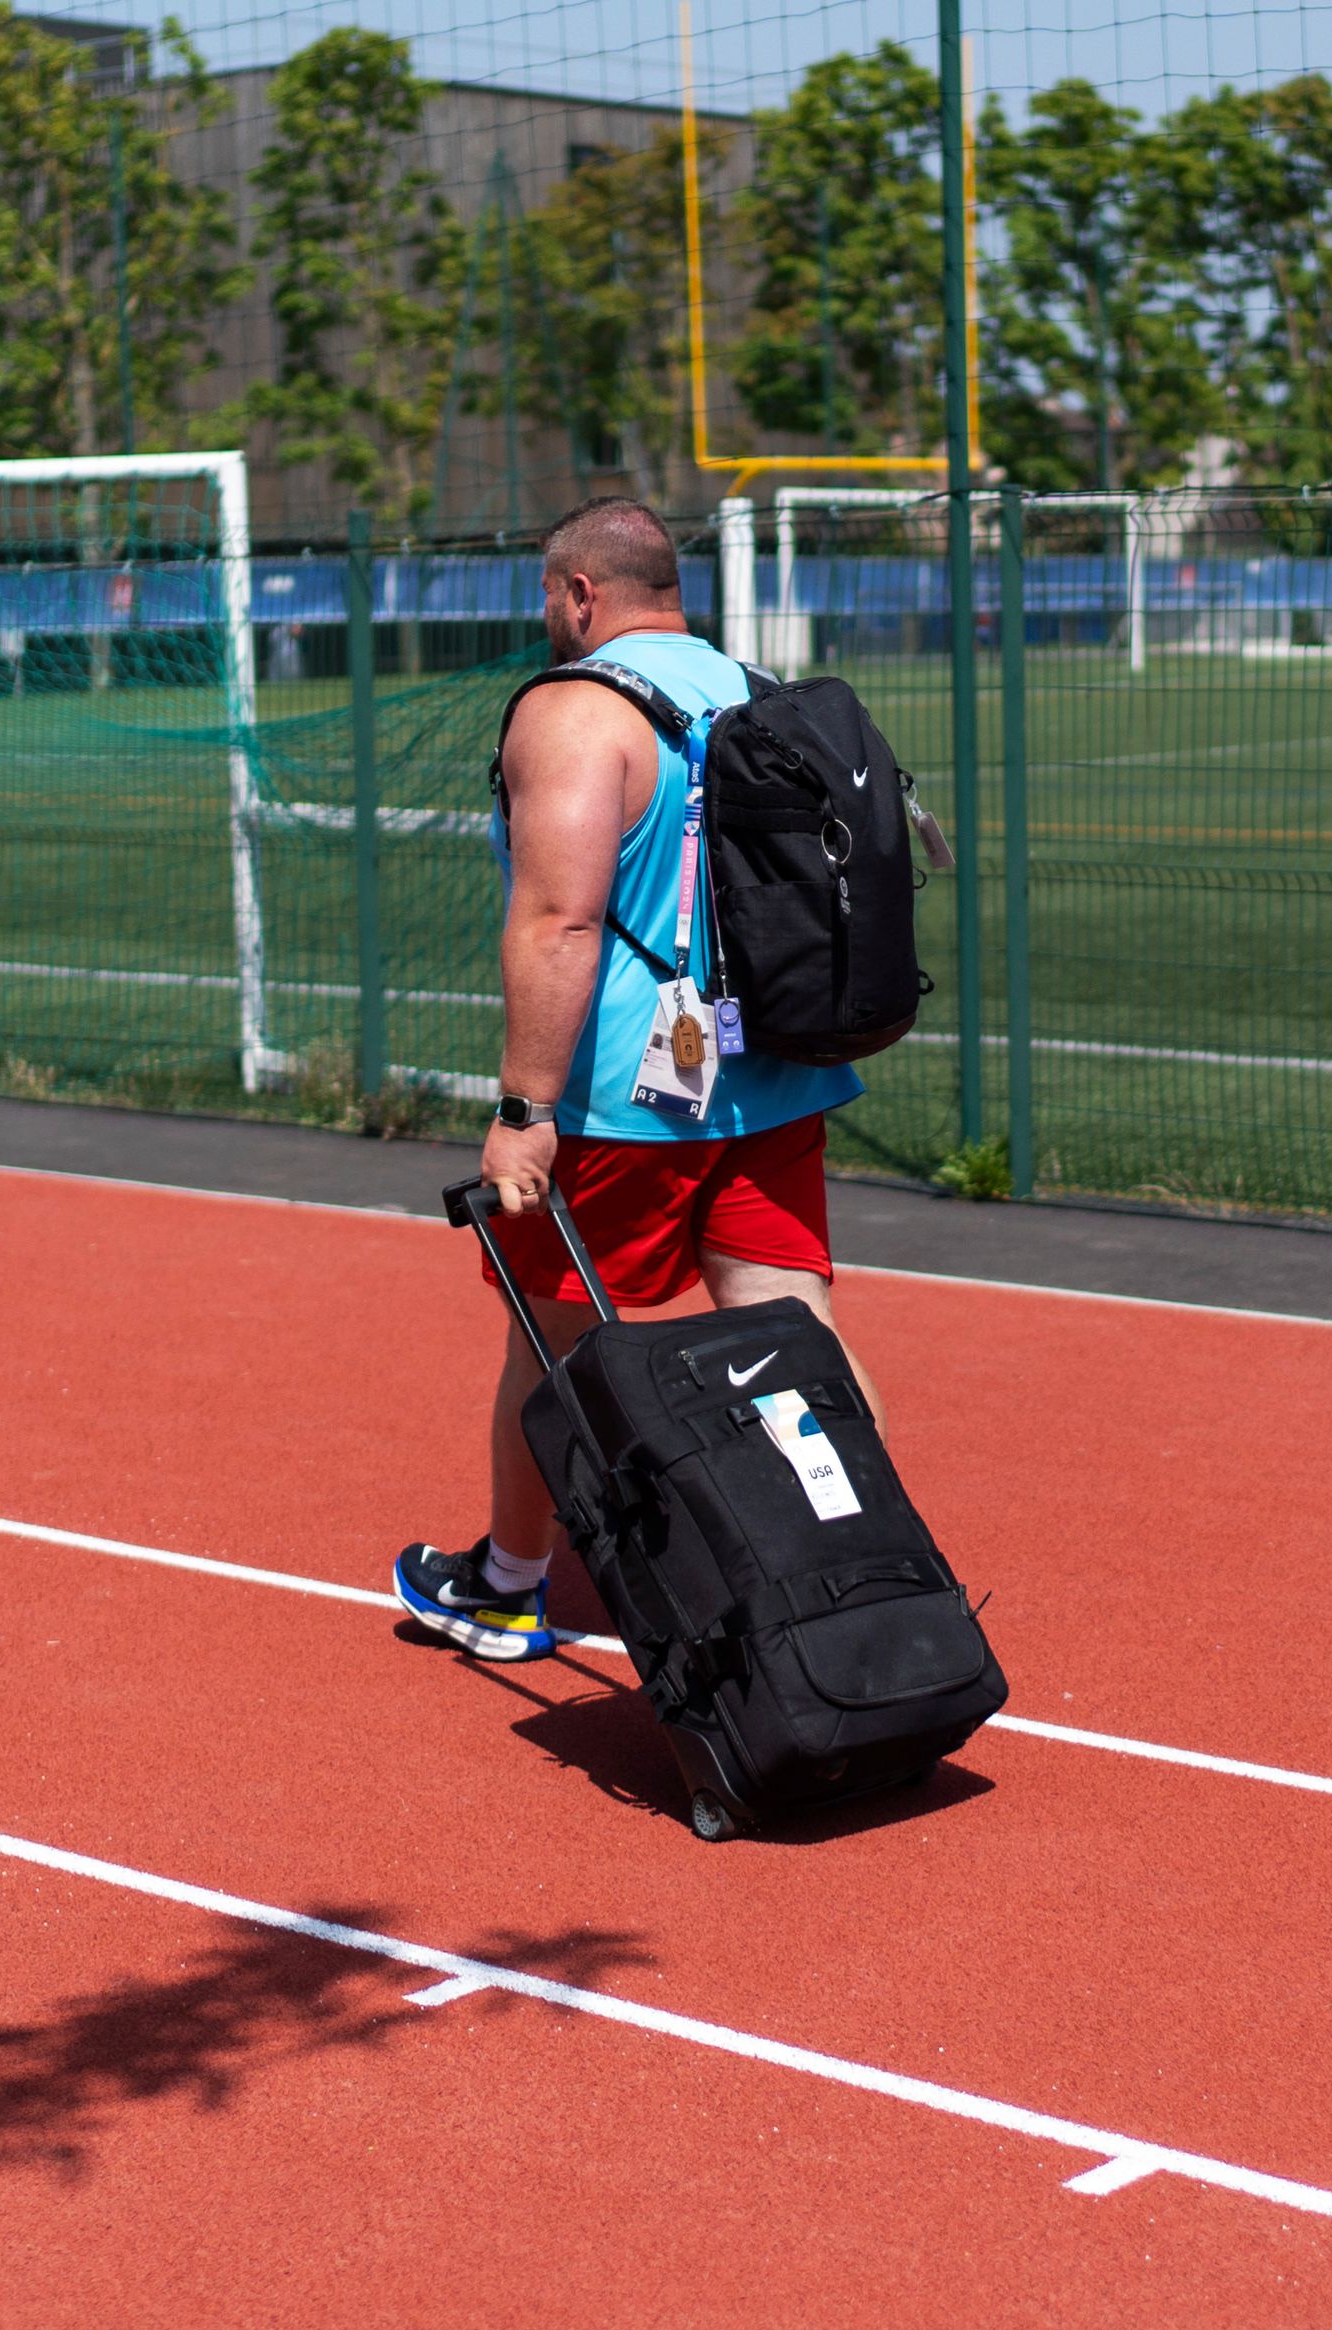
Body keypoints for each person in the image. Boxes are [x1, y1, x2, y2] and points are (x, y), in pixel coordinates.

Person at [394, 498, 869, 1661]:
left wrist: (523, 1111)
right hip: (774, 1074)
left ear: (579, 595)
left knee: (549, 1343)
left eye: (547, 597)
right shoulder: (755, 687)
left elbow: (563, 917)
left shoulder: (575, 711)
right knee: (793, 1334)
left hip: (626, 1098)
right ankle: (861, 1567)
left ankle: (507, 1586)